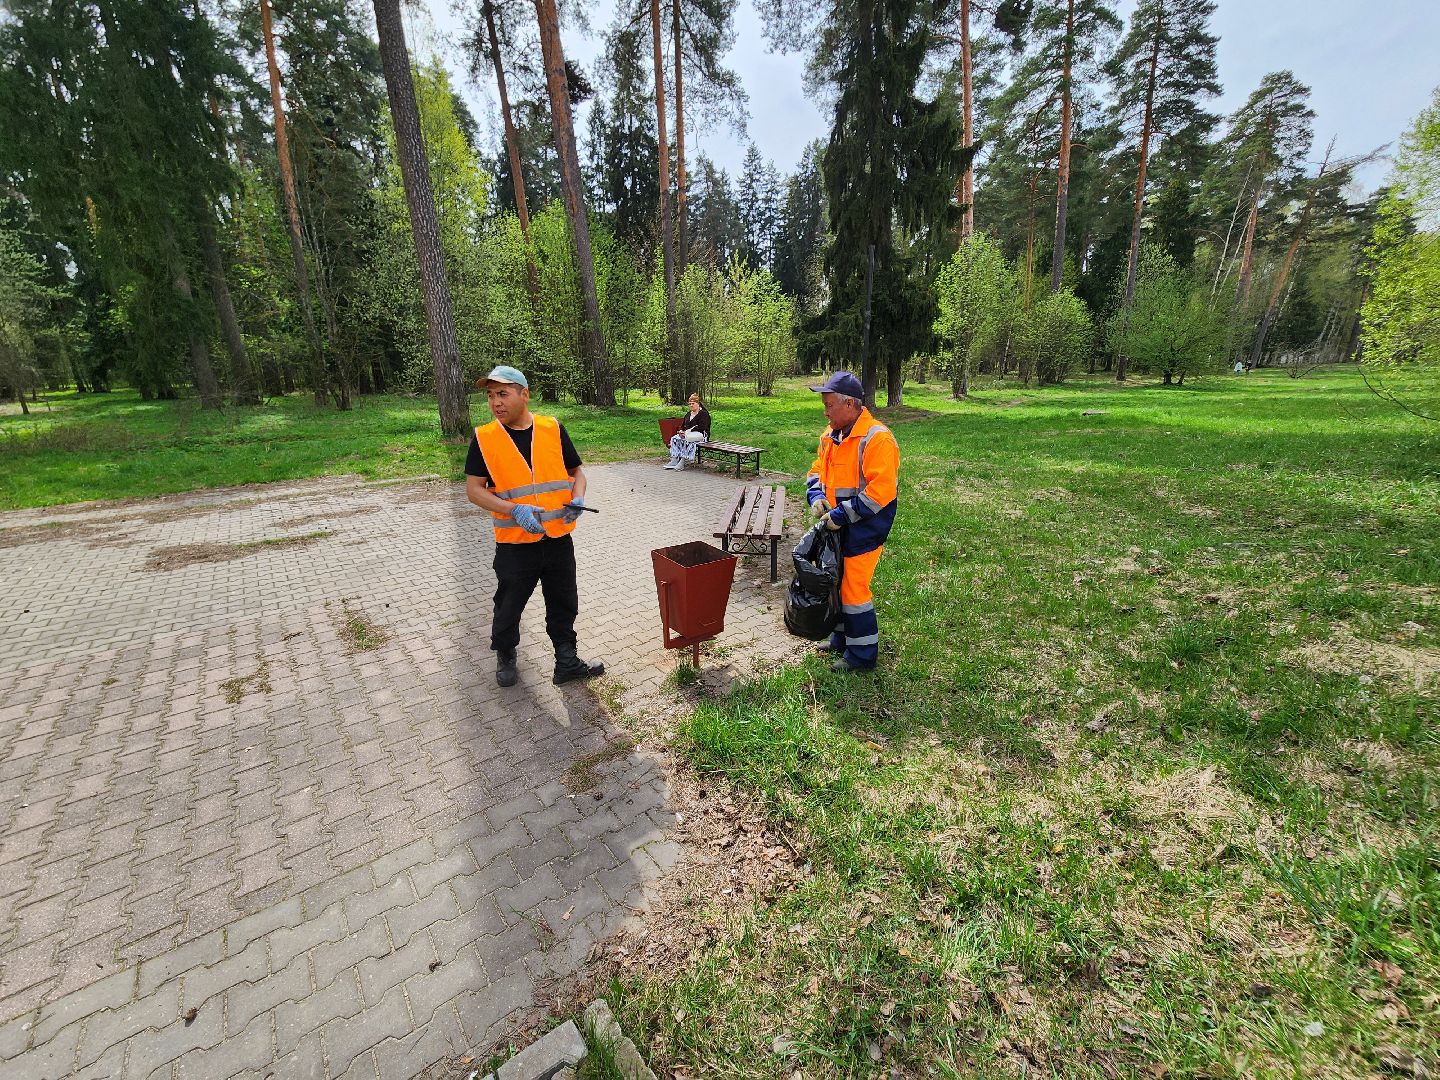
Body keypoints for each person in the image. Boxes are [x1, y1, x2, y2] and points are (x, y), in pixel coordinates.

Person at [464, 365, 606, 688]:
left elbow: (577, 473)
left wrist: (578, 499)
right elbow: (474, 490)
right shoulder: (485, 438)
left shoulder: (552, 428)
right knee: (509, 605)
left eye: (502, 394)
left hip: (557, 538)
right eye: (490, 396)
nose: (495, 402)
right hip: (515, 542)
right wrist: (513, 510)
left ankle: (566, 660)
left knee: (564, 600)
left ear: (524, 394)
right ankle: (505, 653)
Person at [804, 371, 899, 674]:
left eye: (830, 405)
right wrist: (816, 496)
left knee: (855, 591)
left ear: (850, 404)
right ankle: (840, 640)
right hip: (838, 527)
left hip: (865, 530)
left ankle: (862, 656)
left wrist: (839, 516)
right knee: (837, 583)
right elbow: (816, 471)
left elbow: (880, 493)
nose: (825, 411)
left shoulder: (877, 438)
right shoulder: (830, 435)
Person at [664, 393, 711, 470]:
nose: (691, 405)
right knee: (675, 438)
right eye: (690, 404)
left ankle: (682, 461)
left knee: (688, 441)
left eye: (693, 403)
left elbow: (702, 427)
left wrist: (688, 432)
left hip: (701, 435)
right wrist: (682, 431)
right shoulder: (688, 414)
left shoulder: (704, 414)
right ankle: (674, 459)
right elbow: (683, 426)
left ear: (698, 404)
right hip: (688, 434)